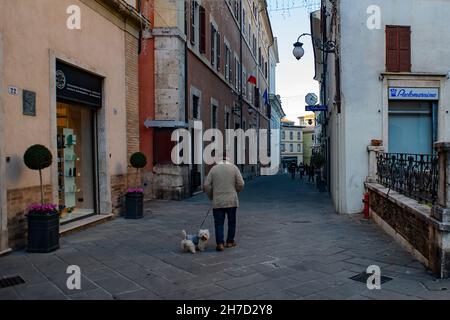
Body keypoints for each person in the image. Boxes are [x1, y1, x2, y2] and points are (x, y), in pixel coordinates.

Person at [204, 155, 245, 252]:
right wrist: (235, 191)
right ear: (228, 159)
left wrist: (211, 196)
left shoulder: (214, 169)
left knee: (219, 223)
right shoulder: (234, 168)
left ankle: (220, 244)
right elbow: (241, 184)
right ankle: (230, 242)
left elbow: (206, 185)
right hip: (231, 200)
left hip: (218, 201)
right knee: (232, 222)